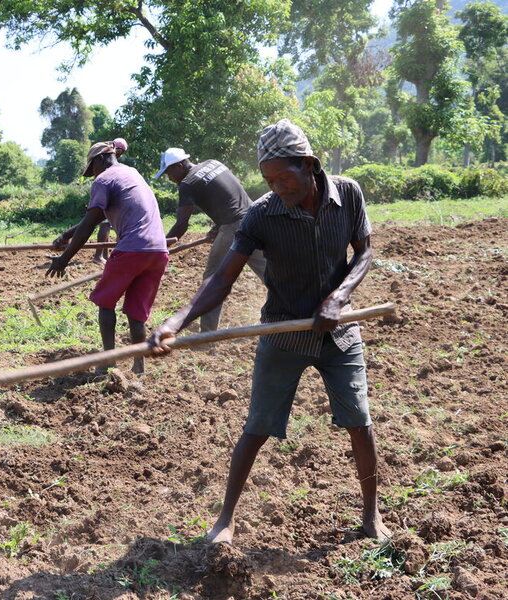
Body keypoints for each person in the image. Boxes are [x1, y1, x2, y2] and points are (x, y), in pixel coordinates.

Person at [149, 119, 390, 544]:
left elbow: (364, 250)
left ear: (309, 165)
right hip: (283, 332)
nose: (278, 186)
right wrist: (176, 320)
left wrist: (339, 297)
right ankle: (225, 519)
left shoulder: (347, 193)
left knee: (359, 422)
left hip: (339, 333)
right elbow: (222, 279)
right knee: (257, 428)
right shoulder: (262, 214)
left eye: (285, 177)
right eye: (268, 179)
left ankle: (371, 515)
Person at [49, 141, 168, 374]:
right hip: (158, 250)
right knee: (136, 311)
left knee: (105, 301)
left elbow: (88, 226)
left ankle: (109, 362)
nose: (92, 174)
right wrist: (66, 235)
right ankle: (138, 367)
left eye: (91, 168)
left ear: (100, 159)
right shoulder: (131, 174)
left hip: (132, 249)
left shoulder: (103, 179)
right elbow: (90, 220)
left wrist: (64, 259)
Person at [155, 148, 266, 332]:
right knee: (269, 271)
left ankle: (207, 334)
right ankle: (297, 310)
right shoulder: (213, 163)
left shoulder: (188, 183)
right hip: (255, 217)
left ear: (179, 165)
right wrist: (218, 225)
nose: (169, 178)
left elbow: (181, 225)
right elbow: (228, 196)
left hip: (235, 227)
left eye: (169, 172)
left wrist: (160, 246)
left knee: (213, 278)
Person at [92, 138, 128, 265]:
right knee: (104, 224)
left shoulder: (111, 162)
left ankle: (104, 255)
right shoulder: (107, 163)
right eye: (119, 151)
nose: (119, 154)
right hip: (104, 196)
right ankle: (98, 255)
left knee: (106, 225)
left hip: (106, 195)